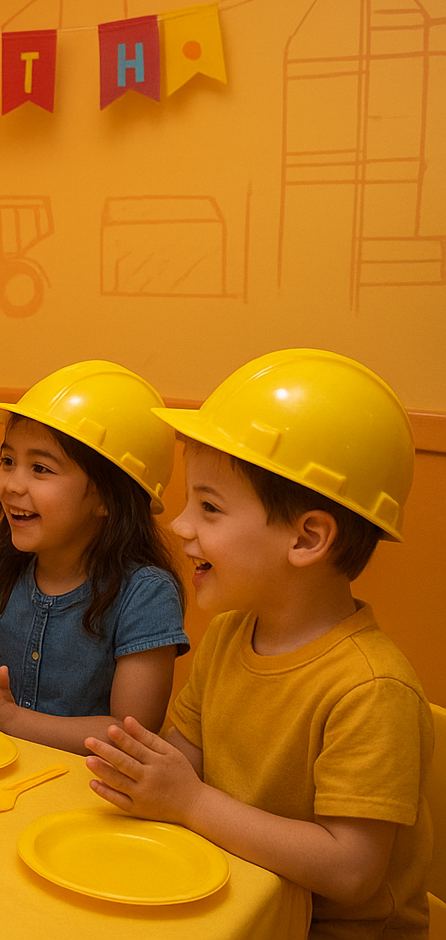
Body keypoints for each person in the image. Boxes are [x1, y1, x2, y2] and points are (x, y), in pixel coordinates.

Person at [84, 349, 431, 939]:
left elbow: (351, 871)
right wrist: (142, 776)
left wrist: (190, 803)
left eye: (210, 507)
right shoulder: (228, 634)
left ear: (307, 538)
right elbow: (184, 760)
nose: (180, 525)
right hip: (237, 902)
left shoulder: (372, 690)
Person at [0, 361, 187, 755]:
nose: (12, 485)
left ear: (107, 498)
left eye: (41, 468)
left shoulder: (146, 594)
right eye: (8, 461)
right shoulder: (0, 562)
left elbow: (130, 735)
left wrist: (6, 718)